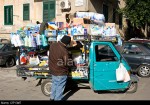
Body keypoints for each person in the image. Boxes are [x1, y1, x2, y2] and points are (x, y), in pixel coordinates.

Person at [49, 35, 72, 101]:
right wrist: (72, 63)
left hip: (53, 70)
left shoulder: (53, 45)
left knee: (54, 84)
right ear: (67, 43)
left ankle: (52, 98)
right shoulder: (64, 51)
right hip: (61, 72)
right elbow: (67, 62)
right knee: (59, 87)